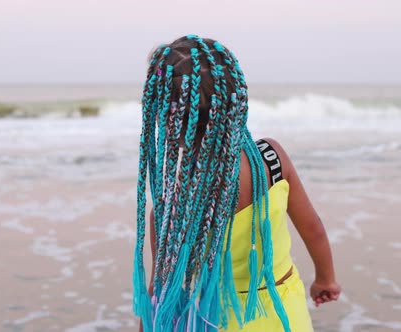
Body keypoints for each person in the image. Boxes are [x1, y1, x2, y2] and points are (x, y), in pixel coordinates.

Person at [132, 35, 340, 332]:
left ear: (167, 119)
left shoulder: (170, 212)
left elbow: (160, 295)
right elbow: (314, 229)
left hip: (215, 319)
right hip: (283, 314)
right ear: (236, 99)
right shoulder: (271, 159)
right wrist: (325, 279)